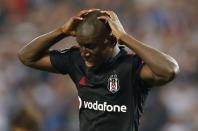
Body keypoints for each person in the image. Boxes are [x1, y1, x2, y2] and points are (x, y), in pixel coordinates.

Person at [18, 9, 179, 131]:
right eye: (81, 45)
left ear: (111, 40)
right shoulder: (76, 60)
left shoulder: (131, 66)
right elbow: (26, 56)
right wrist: (61, 31)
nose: (84, 52)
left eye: (91, 46)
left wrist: (125, 37)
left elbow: (169, 70)